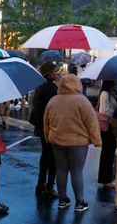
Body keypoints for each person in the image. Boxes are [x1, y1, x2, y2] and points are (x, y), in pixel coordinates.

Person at [43, 74, 102, 212]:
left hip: (57, 141)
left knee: (61, 170)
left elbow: (46, 122)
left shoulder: (53, 101)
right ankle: (79, 202)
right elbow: (92, 123)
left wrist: (47, 137)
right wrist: (97, 141)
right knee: (76, 172)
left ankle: (62, 199)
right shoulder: (82, 101)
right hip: (78, 143)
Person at [29, 61, 59, 198]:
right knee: (52, 157)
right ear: (48, 74)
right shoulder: (52, 89)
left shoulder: (40, 87)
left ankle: (40, 184)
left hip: (41, 126)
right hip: (50, 127)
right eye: (54, 72)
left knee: (45, 156)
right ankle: (49, 186)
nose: (56, 74)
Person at [97, 80, 117, 189]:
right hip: (107, 126)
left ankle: (107, 178)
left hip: (111, 125)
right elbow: (104, 111)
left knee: (109, 152)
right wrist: (115, 112)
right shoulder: (105, 94)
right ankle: (106, 179)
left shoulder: (112, 93)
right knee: (107, 152)